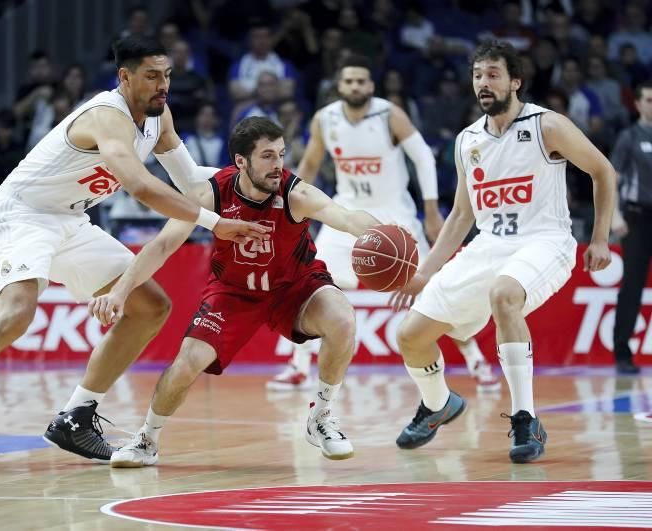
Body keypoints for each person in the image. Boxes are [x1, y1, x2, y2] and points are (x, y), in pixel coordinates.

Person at [0, 37, 270, 468]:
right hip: (24, 214)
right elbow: (142, 187)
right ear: (124, 78)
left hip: (71, 220)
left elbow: (189, 181)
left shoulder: (159, 115)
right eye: (152, 76)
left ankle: (77, 415)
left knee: (150, 305)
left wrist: (251, 178)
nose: (163, 85)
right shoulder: (107, 117)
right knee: (16, 313)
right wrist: (218, 224)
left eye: (166, 75)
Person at [92, 116, 387, 467]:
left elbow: (347, 217)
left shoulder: (296, 193)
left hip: (294, 287)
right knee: (186, 365)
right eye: (267, 156)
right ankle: (146, 439)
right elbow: (162, 244)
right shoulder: (211, 194)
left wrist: (382, 233)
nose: (278, 165)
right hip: (232, 293)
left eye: (280, 154)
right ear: (241, 161)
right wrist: (120, 292)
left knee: (342, 318)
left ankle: (320, 417)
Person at [389, 39, 615, 463]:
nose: (483, 83)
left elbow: (603, 171)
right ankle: (439, 404)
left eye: (493, 74)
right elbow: (460, 217)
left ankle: (526, 417)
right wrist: (425, 272)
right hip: (489, 245)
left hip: (546, 241)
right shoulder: (466, 141)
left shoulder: (548, 125)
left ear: (515, 81)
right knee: (410, 335)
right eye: (477, 76)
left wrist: (600, 237)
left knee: (504, 295)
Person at [268, 55, 500, 393]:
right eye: (349, 81)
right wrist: (289, 207)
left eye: (361, 81)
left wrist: (432, 209)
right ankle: (299, 366)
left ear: (371, 86)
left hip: (394, 215)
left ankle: (476, 361)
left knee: (428, 288)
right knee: (310, 286)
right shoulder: (325, 119)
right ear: (339, 86)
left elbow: (423, 157)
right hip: (345, 214)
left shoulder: (389, 114)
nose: (355, 87)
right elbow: (311, 164)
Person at [610, 81, 652, 375]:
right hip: (637, 218)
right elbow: (611, 178)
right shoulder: (629, 137)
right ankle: (622, 353)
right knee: (632, 286)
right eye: (649, 99)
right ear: (637, 103)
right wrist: (614, 216)